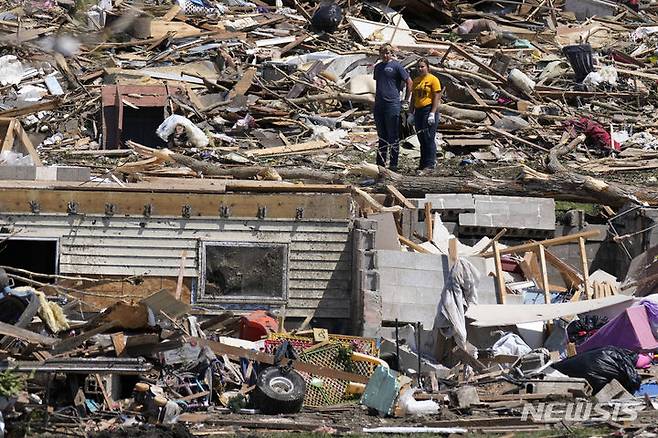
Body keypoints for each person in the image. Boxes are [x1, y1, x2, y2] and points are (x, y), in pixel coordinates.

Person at [373, 43, 413, 171]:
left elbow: (409, 81)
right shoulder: (378, 67)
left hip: (392, 104)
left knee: (393, 135)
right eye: (383, 53)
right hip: (379, 104)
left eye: (387, 53)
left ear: (391, 54)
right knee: (381, 135)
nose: (385, 55)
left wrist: (406, 100)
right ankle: (380, 163)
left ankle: (394, 164)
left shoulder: (396, 66)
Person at [408, 58, 441, 173]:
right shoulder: (416, 80)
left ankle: (430, 164)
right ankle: (422, 164)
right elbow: (413, 98)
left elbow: (437, 96)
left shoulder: (433, 79)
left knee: (428, 137)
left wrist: (432, 113)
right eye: (418, 67)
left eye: (422, 66)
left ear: (427, 67)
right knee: (421, 138)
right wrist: (410, 113)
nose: (420, 69)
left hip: (428, 109)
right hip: (418, 111)